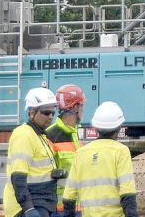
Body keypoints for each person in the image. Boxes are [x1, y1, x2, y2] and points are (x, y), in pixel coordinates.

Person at [62, 101, 137, 217]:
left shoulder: (81, 153)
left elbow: (68, 197)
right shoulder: (121, 151)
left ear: (96, 127)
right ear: (119, 127)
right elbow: (128, 194)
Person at [4, 87, 60, 217]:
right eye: (46, 112)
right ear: (32, 112)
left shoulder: (40, 135)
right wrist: (28, 209)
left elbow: (37, 169)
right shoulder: (24, 135)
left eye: (53, 112)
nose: (50, 117)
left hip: (42, 202)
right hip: (29, 206)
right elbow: (18, 177)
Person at [46, 85, 86, 217]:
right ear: (75, 107)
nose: (82, 110)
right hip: (59, 208)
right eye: (81, 106)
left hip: (78, 206)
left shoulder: (75, 133)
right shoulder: (50, 135)